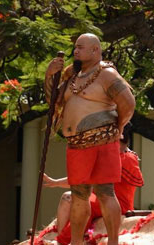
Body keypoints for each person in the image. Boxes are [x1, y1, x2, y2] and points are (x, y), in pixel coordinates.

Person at [45, 33, 135, 245]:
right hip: (76, 143)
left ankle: (113, 241)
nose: (75, 51)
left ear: (95, 50)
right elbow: (54, 102)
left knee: (105, 192)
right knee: (79, 194)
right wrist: (50, 75)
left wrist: (118, 126)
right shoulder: (72, 75)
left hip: (103, 140)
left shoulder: (107, 74)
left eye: (80, 47)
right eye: (75, 47)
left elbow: (128, 103)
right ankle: (76, 242)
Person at [43, 127, 144, 245]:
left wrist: (56, 182)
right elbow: (85, 179)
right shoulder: (112, 155)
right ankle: (62, 238)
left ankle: (65, 240)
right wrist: (56, 182)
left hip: (119, 203)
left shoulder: (128, 157)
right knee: (67, 197)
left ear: (121, 138)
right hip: (101, 197)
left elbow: (86, 180)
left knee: (85, 202)